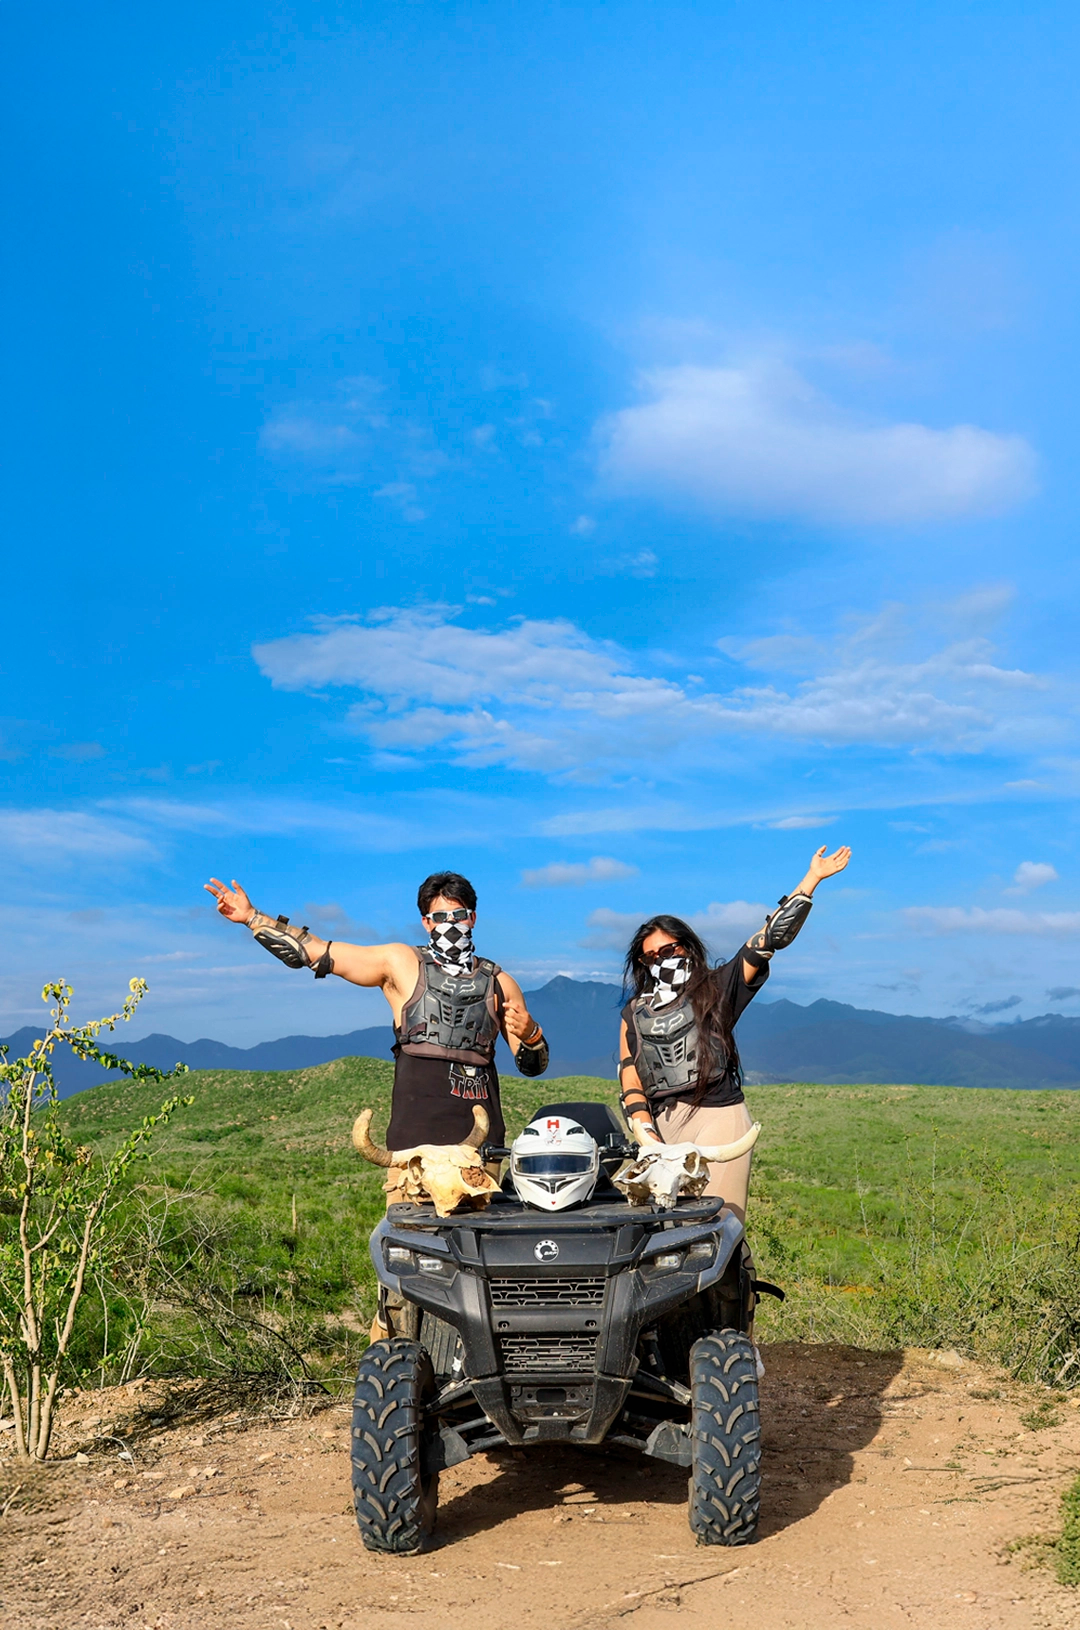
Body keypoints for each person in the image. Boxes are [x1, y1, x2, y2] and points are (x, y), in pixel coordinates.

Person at [204, 869, 548, 1330]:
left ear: (474, 916)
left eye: (458, 914)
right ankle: (399, 1366)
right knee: (406, 1274)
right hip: (411, 1154)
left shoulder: (499, 983)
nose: (449, 923)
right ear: (425, 922)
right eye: (438, 916)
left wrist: (530, 1034)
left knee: (481, 1267)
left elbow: (533, 1063)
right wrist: (252, 918)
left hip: (479, 1152)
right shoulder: (400, 963)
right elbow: (318, 953)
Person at [617, 845, 852, 1226]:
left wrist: (812, 879)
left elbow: (769, 939)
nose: (662, 959)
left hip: (719, 1119)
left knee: (719, 1228)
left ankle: (737, 1287)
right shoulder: (635, 1011)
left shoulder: (718, 986)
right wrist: (644, 1128)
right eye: (651, 956)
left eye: (669, 948)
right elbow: (630, 1070)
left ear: (687, 946)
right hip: (660, 1127)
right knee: (659, 1234)